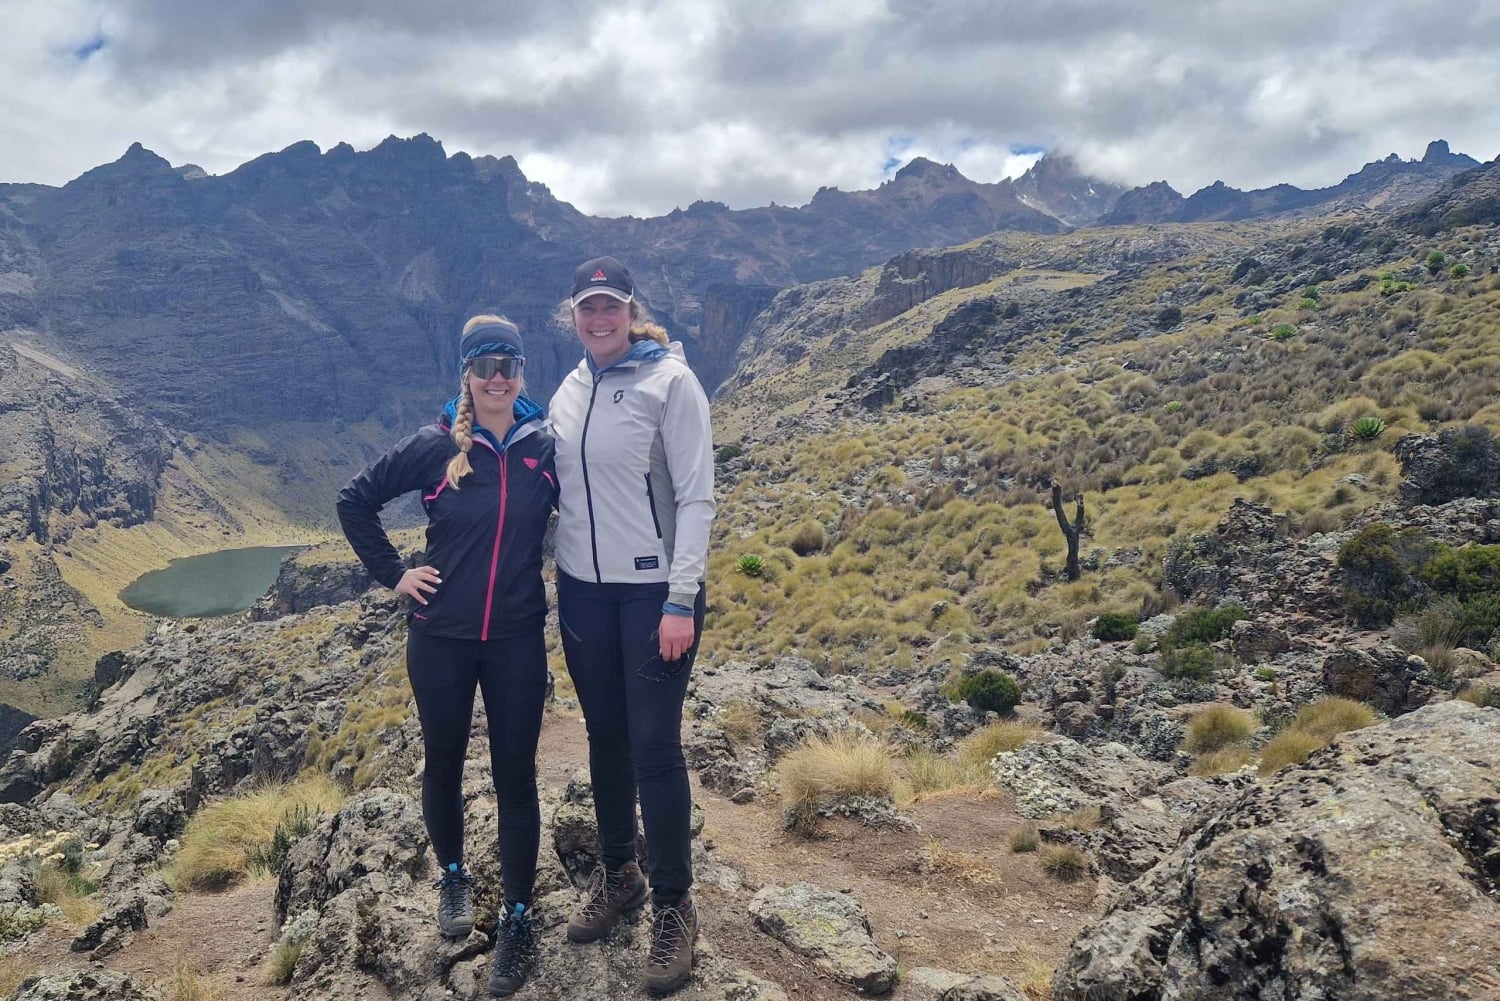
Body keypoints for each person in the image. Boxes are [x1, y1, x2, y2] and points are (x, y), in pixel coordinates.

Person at [336, 315, 555, 998]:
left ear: (522, 372)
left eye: (508, 365)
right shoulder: (436, 447)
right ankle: (453, 876)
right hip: (441, 637)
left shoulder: (544, 446)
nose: (497, 377)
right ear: (465, 373)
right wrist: (396, 573)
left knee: (516, 775)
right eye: (485, 365)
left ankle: (518, 917)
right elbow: (355, 500)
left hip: (517, 636)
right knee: (445, 760)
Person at [548, 257, 715, 995]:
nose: (599, 318)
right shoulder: (570, 388)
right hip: (583, 594)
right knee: (605, 736)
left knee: (653, 743)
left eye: (610, 306)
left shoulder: (669, 383)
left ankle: (675, 906)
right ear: (574, 315)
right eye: (588, 308)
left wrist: (681, 599)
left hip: (654, 596)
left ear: (629, 308)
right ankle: (621, 875)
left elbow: (698, 496)